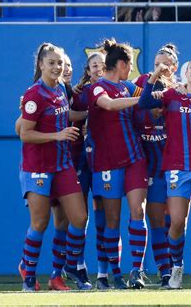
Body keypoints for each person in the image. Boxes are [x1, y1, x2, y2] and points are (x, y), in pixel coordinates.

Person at [139, 56, 191, 290]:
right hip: (176, 168)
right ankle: (177, 267)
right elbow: (144, 101)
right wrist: (155, 76)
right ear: (184, 73)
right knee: (176, 223)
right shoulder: (172, 95)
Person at [18, 43, 91, 291]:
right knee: (40, 222)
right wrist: (58, 136)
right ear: (41, 65)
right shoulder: (33, 95)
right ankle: (28, 273)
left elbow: (65, 114)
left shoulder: (60, 89)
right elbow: (25, 134)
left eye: (60, 62)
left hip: (63, 166)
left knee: (79, 218)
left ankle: (58, 274)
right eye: (52, 63)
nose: (57, 67)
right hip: (37, 166)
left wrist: (91, 113)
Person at [86, 38, 158, 289]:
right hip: (107, 163)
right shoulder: (96, 88)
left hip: (135, 159)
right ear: (121, 64)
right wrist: (141, 101)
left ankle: (136, 272)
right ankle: (114, 274)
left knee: (138, 212)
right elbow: (108, 105)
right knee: (112, 219)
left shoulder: (129, 87)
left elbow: (153, 97)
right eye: (130, 66)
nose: (131, 71)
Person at [133, 43, 180, 289]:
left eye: (165, 65)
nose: (160, 68)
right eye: (156, 64)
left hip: (172, 164)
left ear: (175, 67)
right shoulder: (143, 83)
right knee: (156, 221)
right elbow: (140, 105)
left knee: (174, 221)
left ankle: (175, 268)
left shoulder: (180, 90)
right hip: (148, 165)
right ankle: (164, 271)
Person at [71, 52, 114, 289]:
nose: (98, 68)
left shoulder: (116, 89)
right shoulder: (80, 93)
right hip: (81, 160)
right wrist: (91, 113)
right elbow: (67, 114)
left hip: (104, 160)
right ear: (88, 70)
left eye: (102, 64)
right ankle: (78, 267)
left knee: (103, 218)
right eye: (93, 65)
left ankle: (103, 274)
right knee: (80, 216)